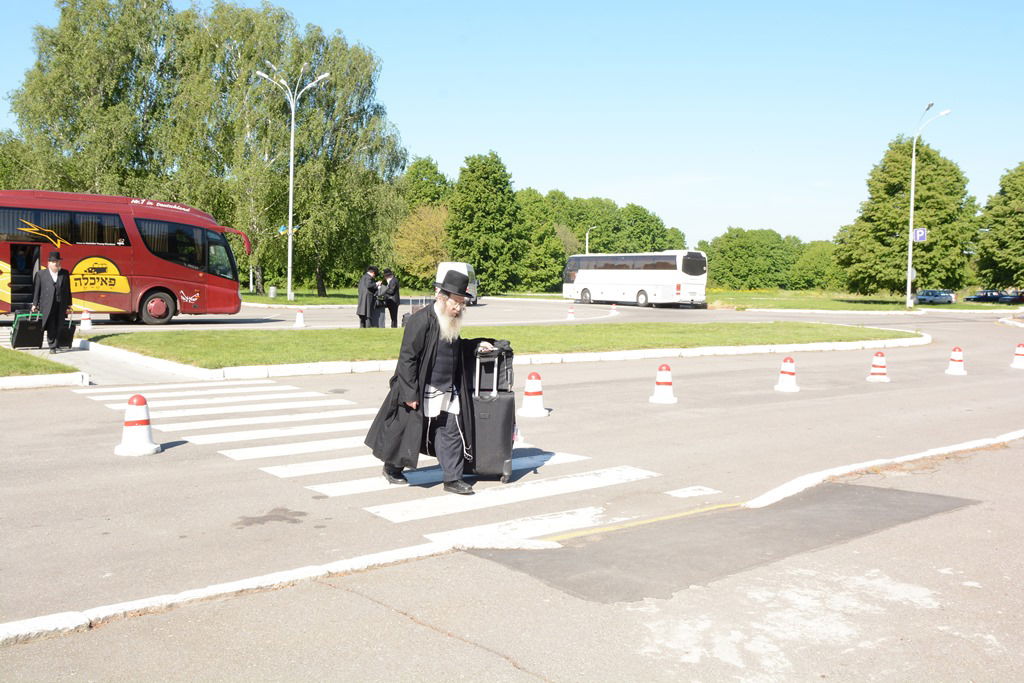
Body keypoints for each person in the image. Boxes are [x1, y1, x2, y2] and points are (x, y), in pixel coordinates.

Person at [364, 269, 495, 495]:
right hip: (420, 386)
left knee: (451, 431)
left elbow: (454, 346)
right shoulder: (421, 320)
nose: (459, 308)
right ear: (442, 298)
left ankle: (452, 479)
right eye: (456, 302)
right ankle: (392, 468)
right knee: (407, 431)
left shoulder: (450, 319)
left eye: (462, 303)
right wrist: (409, 393)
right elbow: (407, 358)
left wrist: (478, 345)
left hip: (447, 387)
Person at [31, 251, 73, 354]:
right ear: (49, 263)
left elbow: (68, 290)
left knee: (59, 324)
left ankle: (56, 343)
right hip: (47, 304)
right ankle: (52, 346)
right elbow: (37, 290)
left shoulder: (64, 273)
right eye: (54, 262)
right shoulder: (41, 274)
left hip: (60, 303)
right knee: (51, 325)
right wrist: (34, 304)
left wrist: (69, 304)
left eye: (58, 261)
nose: (56, 264)